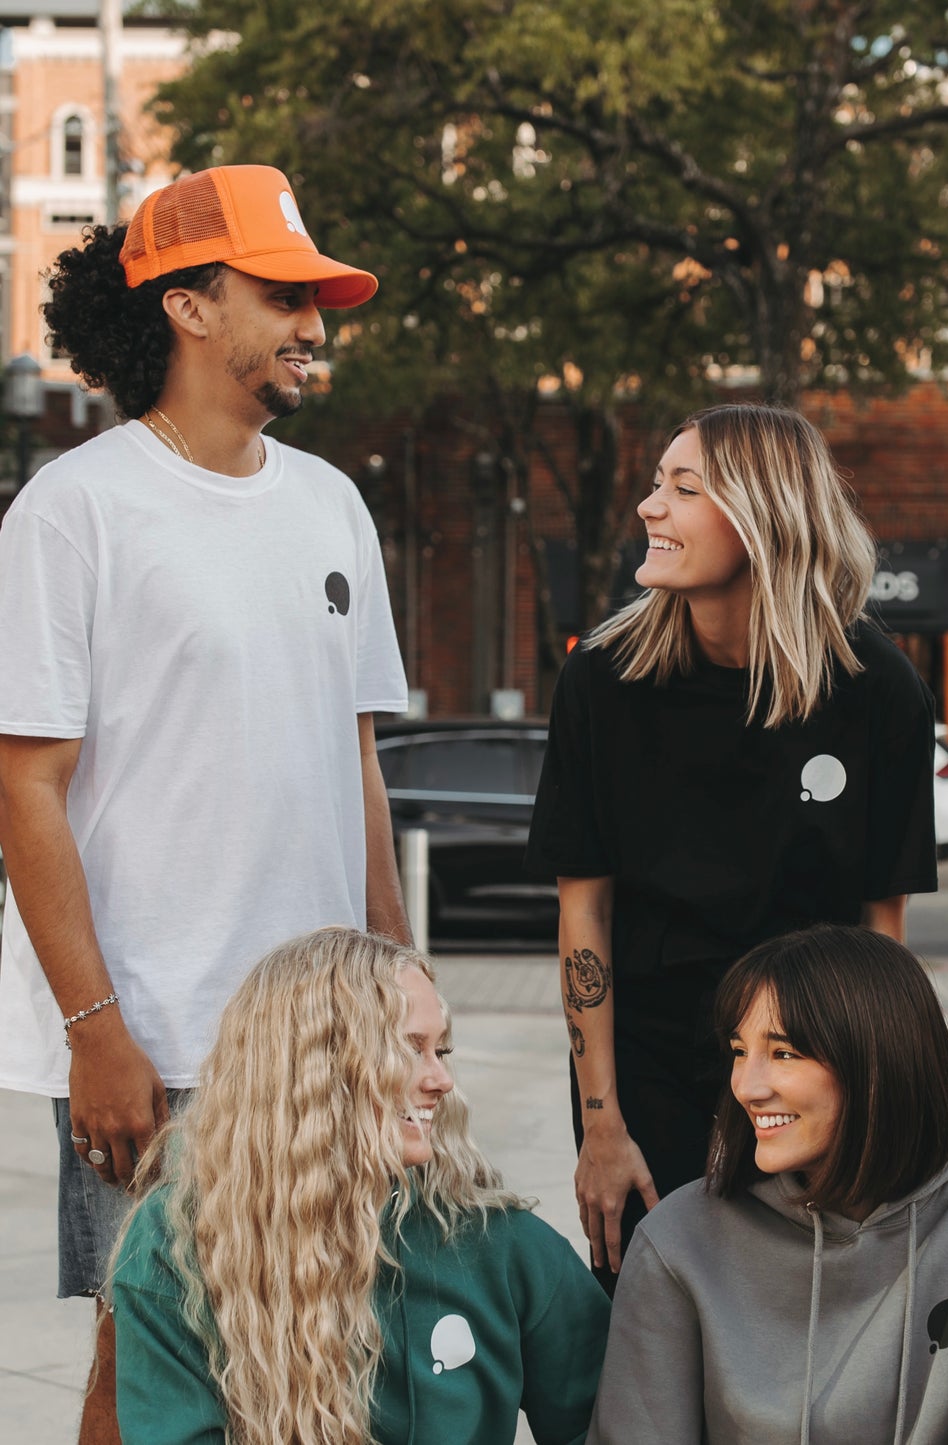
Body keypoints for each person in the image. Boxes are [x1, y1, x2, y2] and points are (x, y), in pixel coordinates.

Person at [0, 164, 410, 1442]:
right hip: (158, 1040)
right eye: (283, 294)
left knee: (317, 1360)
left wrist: (397, 985)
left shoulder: (331, 504)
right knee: (150, 1369)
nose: (313, 325)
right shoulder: (75, 511)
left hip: (325, 1032)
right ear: (187, 305)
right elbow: (25, 783)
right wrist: (96, 1032)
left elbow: (355, 766)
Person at [525, 402, 939, 1290]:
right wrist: (600, 1125)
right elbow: (583, 912)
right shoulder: (602, 680)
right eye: (653, 483)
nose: (648, 506)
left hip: (811, 1070)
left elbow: (880, 935)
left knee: (798, 1341)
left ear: (763, 517)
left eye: (682, 488)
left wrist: (872, 1110)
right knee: (652, 1332)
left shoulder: (877, 690)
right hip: (644, 1073)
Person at [110, 927, 610, 1445]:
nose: (441, 1079)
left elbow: (608, 1421)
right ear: (318, 1067)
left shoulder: (495, 1241)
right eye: (410, 1049)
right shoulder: (176, 1243)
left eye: (441, 1050)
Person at [587, 923, 948, 1444]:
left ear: (877, 1064)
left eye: (784, 1053)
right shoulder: (680, 1238)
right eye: (737, 1050)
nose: (746, 1087)